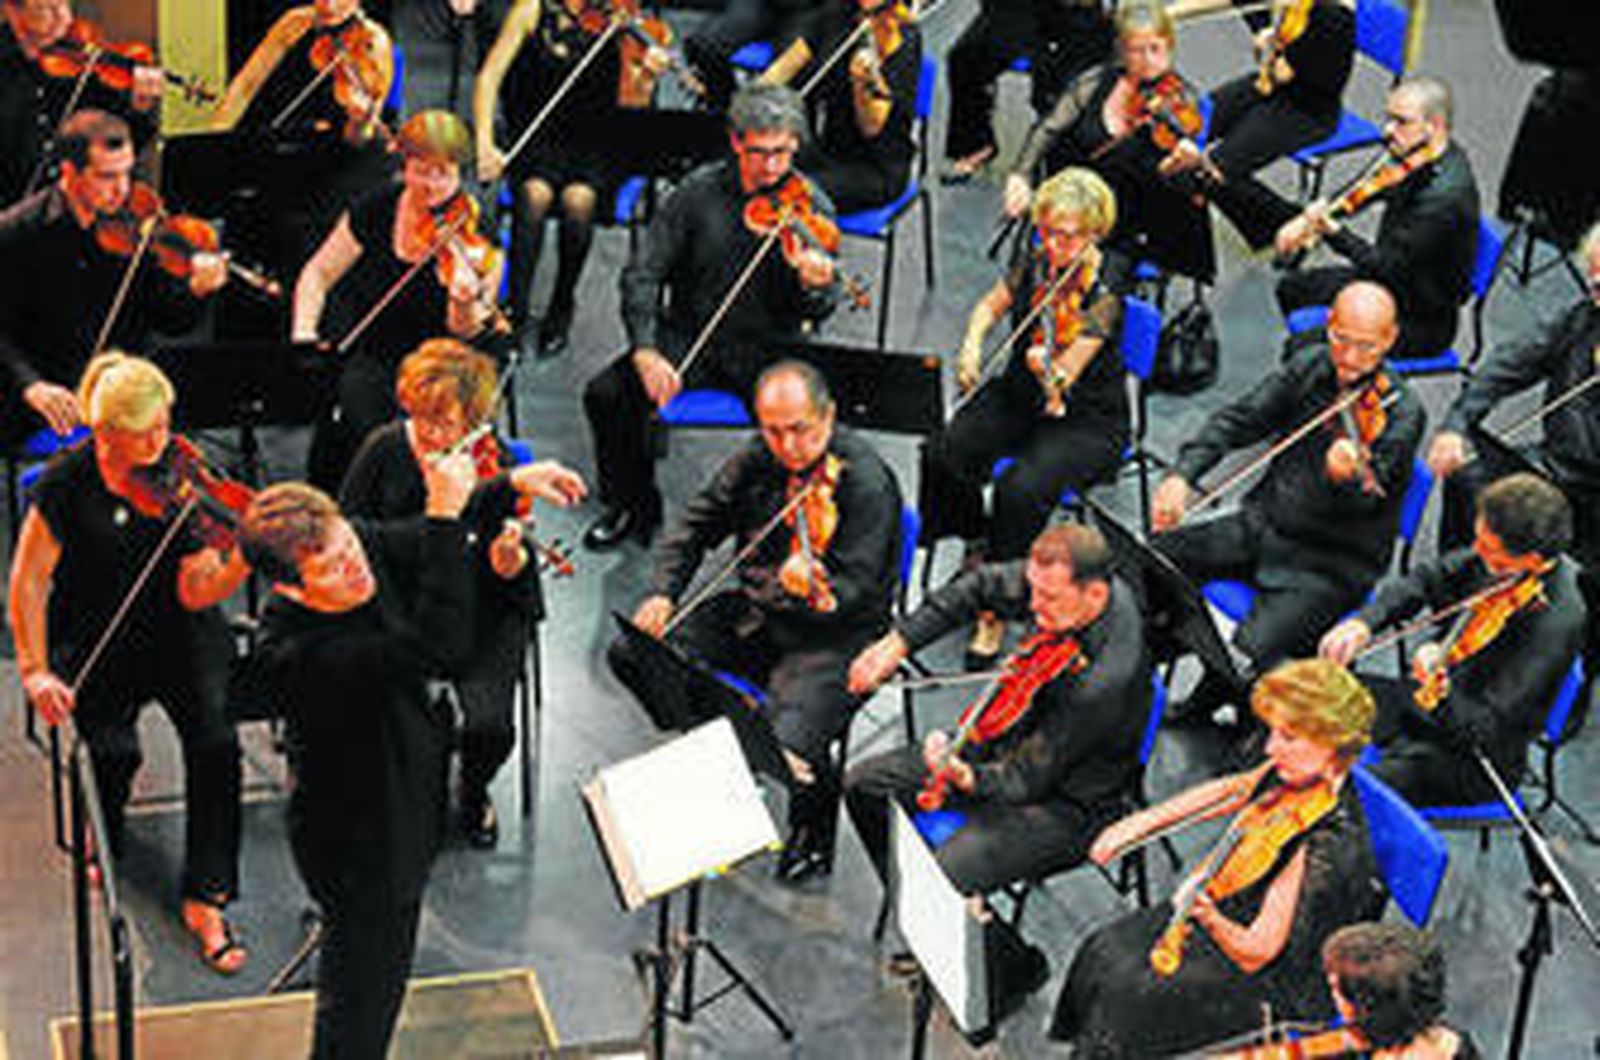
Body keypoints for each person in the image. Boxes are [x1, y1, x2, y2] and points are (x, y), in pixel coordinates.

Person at [240, 459, 585, 1058]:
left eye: (348, 543)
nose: (356, 565)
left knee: (369, 989)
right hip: (366, 848)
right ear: (288, 587)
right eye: (332, 567)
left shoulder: (354, 543)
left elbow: (421, 534)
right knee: (360, 1015)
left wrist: (505, 486)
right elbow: (439, 647)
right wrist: (449, 518)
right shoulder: (300, 655)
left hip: (406, 793)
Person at [608, 360, 902, 882]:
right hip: (760, 614)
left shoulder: (868, 484)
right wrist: (662, 592)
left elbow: (857, 592)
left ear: (828, 416)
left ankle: (813, 829)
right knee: (635, 653)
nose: (788, 447)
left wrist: (814, 584)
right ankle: (723, 742)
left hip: (833, 638)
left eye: (801, 431)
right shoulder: (758, 456)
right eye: (773, 431)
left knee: (784, 749)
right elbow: (697, 523)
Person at [7, 353, 250, 974]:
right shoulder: (66, 483)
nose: (161, 441)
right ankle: (104, 829)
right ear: (104, 432)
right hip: (95, 637)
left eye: (165, 424)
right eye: (144, 432)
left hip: (182, 629)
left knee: (218, 741)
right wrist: (34, 669)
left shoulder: (183, 472)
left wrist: (239, 558)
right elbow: (29, 583)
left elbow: (199, 590)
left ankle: (207, 896)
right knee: (113, 753)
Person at [843, 523, 1151, 1002]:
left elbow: (1026, 779)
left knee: (946, 872)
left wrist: (964, 774)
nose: (1032, 607)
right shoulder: (1066, 590)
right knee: (865, 785)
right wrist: (896, 644)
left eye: (1048, 599)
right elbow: (980, 585)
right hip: (1013, 740)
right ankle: (930, 917)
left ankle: (1012, 968)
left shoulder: (1102, 681)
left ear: (1094, 593)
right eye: (1033, 591)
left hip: (1068, 803)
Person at [1049, 658, 1388, 1058]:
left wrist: (1206, 913)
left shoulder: (1327, 844)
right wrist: (1139, 823)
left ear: (1332, 741)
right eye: (1273, 732)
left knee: (1132, 995)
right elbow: (1232, 791)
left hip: (1270, 977)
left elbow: (1258, 950)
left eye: (1288, 737)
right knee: (1103, 949)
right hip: (1233, 907)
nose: (1269, 747)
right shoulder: (1297, 772)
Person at [1150, 281, 1424, 726]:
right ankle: (1146, 664)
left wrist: (1346, 479)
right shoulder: (1312, 365)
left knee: (1247, 649)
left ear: (1390, 340)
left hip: (1329, 564)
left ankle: (1213, 700)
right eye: (1342, 340)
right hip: (1266, 524)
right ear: (1329, 325)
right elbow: (1239, 419)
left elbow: (1369, 500)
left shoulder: (1402, 413)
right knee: (1156, 558)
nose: (1351, 359)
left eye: (1367, 348)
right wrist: (1183, 475)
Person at [581, 84, 840, 552]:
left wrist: (815, 285)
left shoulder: (811, 205)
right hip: (691, 334)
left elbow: (821, 308)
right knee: (607, 395)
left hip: (769, 347)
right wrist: (644, 348)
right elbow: (642, 272)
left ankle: (779, 529)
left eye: (783, 153)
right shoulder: (696, 193)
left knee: (802, 424)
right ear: (736, 143)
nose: (774, 168)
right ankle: (633, 504)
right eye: (760, 153)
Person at [340, 339, 545, 848]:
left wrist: (508, 560)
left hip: (482, 611)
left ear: (474, 420)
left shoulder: (490, 455)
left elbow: (515, 572)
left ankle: (473, 791)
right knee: (398, 718)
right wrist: (438, 520)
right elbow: (349, 534)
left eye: (447, 424)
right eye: (423, 419)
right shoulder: (384, 448)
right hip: (402, 607)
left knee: (490, 728)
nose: (432, 435)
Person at [920, 167, 1127, 667]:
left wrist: (1047, 370)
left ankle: (996, 607)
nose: (1055, 245)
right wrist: (971, 346)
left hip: (1083, 417)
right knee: (943, 450)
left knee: (1020, 489)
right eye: (1048, 232)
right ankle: (977, 544)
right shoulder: (1036, 259)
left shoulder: (1106, 292)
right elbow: (992, 304)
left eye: (1068, 236)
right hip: (1021, 393)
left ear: (1095, 233)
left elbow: (1068, 373)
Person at [1320, 473, 1585, 807]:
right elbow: (1428, 578)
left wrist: (1441, 690)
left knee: (1347, 795)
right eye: (1478, 540)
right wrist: (1364, 623)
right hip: (1421, 704)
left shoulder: (1555, 625)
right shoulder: (1497, 563)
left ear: (1532, 559)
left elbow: (1486, 729)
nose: (1476, 552)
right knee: (1311, 696)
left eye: (1489, 550)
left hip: (1469, 758)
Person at [292, 109, 505, 490]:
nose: (432, 186)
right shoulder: (377, 208)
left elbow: (467, 331)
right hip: (378, 350)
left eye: (444, 174)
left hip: (444, 362)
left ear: (460, 174)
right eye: (421, 170)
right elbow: (317, 274)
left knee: (412, 432)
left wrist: (462, 300)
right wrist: (303, 334)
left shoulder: (477, 232)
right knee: (354, 409)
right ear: (404, 165)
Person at [0, 109, 226, 447]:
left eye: (127, 173)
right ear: (69, 171)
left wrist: (197, 291)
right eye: (106, 177)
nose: (122, 190)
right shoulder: (18, 232)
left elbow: (168, 319)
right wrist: (30, 386)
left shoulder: (139, 226)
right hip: (50, 404)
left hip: (122, 400)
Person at [1426, 221, 1600, 629]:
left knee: (1565, 584)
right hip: (1552, 468)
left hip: (1594, 506)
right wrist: (1457, 423)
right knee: (1465, 474)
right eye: (1593, 285)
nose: (1596, 298)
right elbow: (1509, 363)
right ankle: (1451, 602)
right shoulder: (1584, 316)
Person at [473, 0, 669, 358]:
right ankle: (515, 308)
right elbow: (489, 78)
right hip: (538, 134)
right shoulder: (531, 10)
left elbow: (633, 109)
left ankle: (562, 305)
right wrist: (485, 144)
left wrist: (646, 76)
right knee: (534, 194)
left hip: (595, 140)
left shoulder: (620, 23)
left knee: (579, 202)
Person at [1003, 1, 1215, 283]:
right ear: (1120, 51)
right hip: (1075, 201)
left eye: (1156, 49)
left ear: (1170, 48)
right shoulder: (1094, 81)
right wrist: (1020, 174)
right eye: (1137, 51)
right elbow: (1048, 128)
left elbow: (1176, 186)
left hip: (1129, 223)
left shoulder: (1180, 101)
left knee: (1098, 297)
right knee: (1034, 280)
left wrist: (1181, 162)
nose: (1148, 60)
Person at [1273, 77, 1480, 360]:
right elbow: (1368, 189)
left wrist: (1332, 231)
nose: (1387, 130)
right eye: (1388, 119)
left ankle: (1327, 383)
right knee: (1292, 289)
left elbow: (1384, 265)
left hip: (1418, 317)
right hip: (1390, 283)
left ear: (1434, 127)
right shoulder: (1422, 155)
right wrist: (1311, 217)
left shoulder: (1442, 201)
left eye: (1401, 122)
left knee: (1303, 349)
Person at [211, 0, 396, 281]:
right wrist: (215, 142)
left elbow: (359, 139)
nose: (329, 5)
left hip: (345, 165)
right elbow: (245, 87)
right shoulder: (296, 23)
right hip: (295, 152)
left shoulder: (374, 41)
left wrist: (360, 119)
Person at [1160, 0, 1355, 252]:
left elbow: (1285, 73)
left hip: (1306, 111)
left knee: (1205, 175)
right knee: (1175, 130)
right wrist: (1167, 15)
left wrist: (1274, 43)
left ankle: (1287, 221)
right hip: (1267, 84)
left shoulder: (1335, 17)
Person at [758, 0, 923, 213]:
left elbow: (872, 127)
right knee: (751, 165)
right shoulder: (838, 13)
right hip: (828, 151)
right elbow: (783, 69)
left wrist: (862, 85)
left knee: (781, 191)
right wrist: (750, 101)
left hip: (874, 170)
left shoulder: (902, 37)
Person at [0, 0, 162, 206]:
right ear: (11, 10)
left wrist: (140, 107)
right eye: (47, 8)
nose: (63, 19)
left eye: (64, 5)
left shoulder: (85, 62)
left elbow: (119, 146)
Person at [939, 0, 1115, 182]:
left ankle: (1061, 159)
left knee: (1054, 79)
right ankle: (976, 144)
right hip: (1018, 11)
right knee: (964, 57)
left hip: (1074, 17)